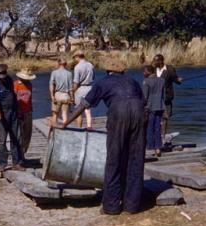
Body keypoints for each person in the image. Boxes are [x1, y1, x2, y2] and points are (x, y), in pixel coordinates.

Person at [54, 58, 147, 215]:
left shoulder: (103, 82)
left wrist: (65, 122)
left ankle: (111, 206)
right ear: (123, 71)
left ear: (107, 71)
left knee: (114, 158)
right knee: (136, 158)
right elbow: (143, 102)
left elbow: (84, 105)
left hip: (119, 112)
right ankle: (132, 204)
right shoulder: (133, 81)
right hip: (139, 112)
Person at [0, 64, 25, 172]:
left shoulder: (9, 80)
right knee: (1, 140)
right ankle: (2, 163)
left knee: (16, 138)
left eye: (4, 74)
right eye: (0, 75)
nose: (2, 76)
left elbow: (13, 95)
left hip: (13, 112)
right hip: (1, 114)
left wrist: (18, 109)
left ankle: (16, 163)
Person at [152, 54, 182, 144]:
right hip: (155, 98)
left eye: (155, 61)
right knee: (155, 118)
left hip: (166, 97)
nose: (153, 62)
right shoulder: (153, 70)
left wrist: (179, 80)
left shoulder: (169, 69)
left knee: (165, 118)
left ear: (161, 61)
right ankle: (156, 137)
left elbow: (175, 79)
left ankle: (163, 138)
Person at [142, 65, 165, 157]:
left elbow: (144, 97)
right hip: (159, 106)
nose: (143, 73)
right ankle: (158, 148)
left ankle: (151, 147)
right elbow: (163, 94)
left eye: (144, 71)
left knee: (149, 128)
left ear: (148, 72)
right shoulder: (162, 80)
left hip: (150, 107)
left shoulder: (146, 82)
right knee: (158, 128)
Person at [14, 68, 36, 154]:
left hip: (28, 112)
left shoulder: (30, 85)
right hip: (18, 112)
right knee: (19, 134)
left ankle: (23, 152)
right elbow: (13, 98)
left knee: (27, 133)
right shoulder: (15, 84)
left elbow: (30, 98)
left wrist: (30, 110)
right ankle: (18, 154)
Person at [72, 50, 95, 129]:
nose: (74, 59)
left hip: (80, 89)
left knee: (78, 111)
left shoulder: (77, 67)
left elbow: (76, 82)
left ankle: (79, 128)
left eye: (74, 57)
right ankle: (89, 128)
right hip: (90, 88)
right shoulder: (90, 65)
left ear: (78, 57)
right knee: (88, 111)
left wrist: (73, 91)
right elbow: (93, 77)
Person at [49, 58, 73, 125]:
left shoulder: (54, 73)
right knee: (64, 114)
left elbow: (51, 85)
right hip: (66, 96)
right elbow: (71, 88)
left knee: (55, 114)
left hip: (57, 95)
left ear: (58, 64)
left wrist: (52, 96)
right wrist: (72, 97)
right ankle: (65, 129)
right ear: (66, 64)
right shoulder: (69, 74)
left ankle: (53, 130)